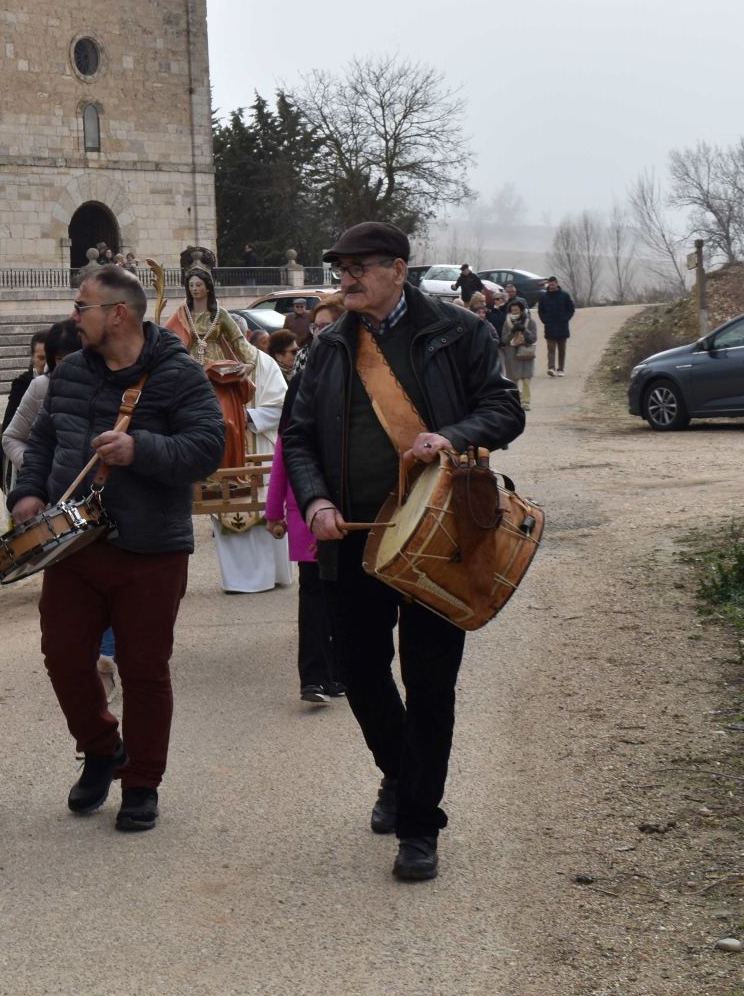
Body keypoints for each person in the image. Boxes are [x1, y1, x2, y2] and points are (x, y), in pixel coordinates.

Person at [281, 221, 524, 882]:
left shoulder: (459, 332)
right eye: (342, 267)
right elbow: (297, 438)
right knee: (359, 672)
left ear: (398, 268)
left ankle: (419, 822)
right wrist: (315, 502)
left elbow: (506, 410)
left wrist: (449, 435)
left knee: (430, 682)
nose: (347, 278)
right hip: (353, 540)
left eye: (360, 266)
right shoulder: (328, 348)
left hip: (441, 537)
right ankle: (401, 772)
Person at [9, 265, 225, 833]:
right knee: (62, 654)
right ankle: (103, 747)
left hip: (150, 544)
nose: (73, 317)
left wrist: (140, 449)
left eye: (83, 307)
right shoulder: (72, 371)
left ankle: (142, 782)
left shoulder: (178, 373)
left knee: (144, 667)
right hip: (73, 545)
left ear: (118, 314)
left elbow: (207, 447)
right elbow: (45, 439)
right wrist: (28, 492)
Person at [0, 321, 117, 693]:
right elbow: (14, 438)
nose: (73, 363)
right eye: (62, 358)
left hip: (102, 504)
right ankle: (88, 663)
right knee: (68, 599)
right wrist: (39, 476)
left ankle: (109, 658)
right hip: (58, 507)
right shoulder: (41, 387)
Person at [166, 258, 289, 594]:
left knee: (263, 517)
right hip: (226, 452)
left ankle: (273, 574)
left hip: (258, 445)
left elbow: (283, 406)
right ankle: (237, 580)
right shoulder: (199, 373)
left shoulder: (261, 364)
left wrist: (249, 417)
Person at [265, 433, 340, 706]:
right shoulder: (298, 418)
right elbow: (281, 467)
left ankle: (336, 671)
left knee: (341, 597)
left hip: (343, 515)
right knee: (313, 600)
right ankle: (314, 676)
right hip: (307, 518)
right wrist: (273, 513)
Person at [0, 329, 48, 494]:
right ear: (32, 357)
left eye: (50, 358)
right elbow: (9, 432)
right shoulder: (22, 385)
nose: (45, 364)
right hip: (28, 467)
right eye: (41, 358)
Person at [500, 300, 537, 408]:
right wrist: (512, 331)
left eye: (516, 310)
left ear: (521, 310)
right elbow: (504, 339)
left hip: (526, 353)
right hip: (511, 353)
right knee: (513, 379)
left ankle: (526, 402)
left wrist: (524, 330)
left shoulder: (530, 322)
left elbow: (533, 338)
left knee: (526, 378)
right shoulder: (507, 323)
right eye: (512, 310)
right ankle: (516, 401)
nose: (514, 312)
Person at [537, 276, 576, 376]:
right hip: (549, 327)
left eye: (553, 284)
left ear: (557, 284)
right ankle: (551, 368)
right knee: (551, 349)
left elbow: (571, 309)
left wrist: (566, 318)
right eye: (550, 284)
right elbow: (540, 311)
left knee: (562, 350)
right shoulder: (544, 297)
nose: (551, 286)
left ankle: (561, 369)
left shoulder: (565, 295)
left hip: (562, 326)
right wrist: (545, 320)